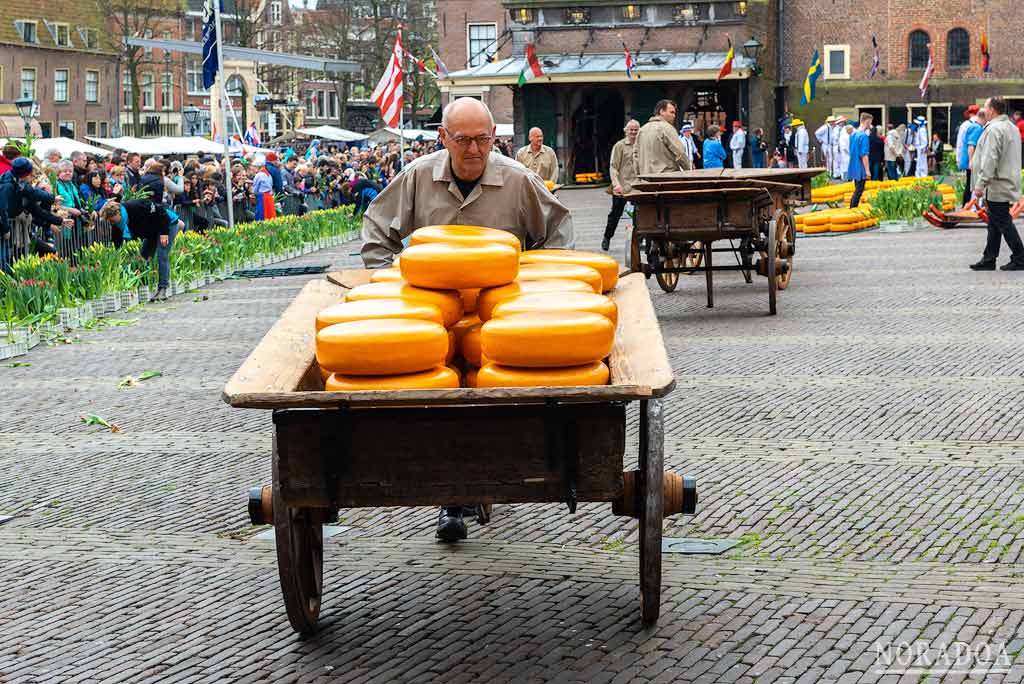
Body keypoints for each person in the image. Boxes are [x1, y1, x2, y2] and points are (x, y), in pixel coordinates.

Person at [361, 98, 573, 541]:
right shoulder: (419, 177)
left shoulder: (518, 181)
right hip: (429, 317)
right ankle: (451, 497)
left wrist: (535, 284)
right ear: (444, 138)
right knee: (435, 404)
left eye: (483, 139)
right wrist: (390, 281)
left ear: (495, 139)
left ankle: (485, 477)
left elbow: (558, 231)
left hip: (497, 319)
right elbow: (378, 226)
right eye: (462, 140)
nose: (474, 149)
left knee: (495, 400)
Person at [970, 97, 1024, 271]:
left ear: (992, 110)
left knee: (1002, 221)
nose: (983, 111)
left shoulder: (994, 129)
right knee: (994, 222)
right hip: (1006, 180)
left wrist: (980, 184)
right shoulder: (1012, 127)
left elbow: (990, 159)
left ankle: (1020, 256)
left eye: (985, 108)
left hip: (996, 183)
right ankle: (989, 258)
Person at [0, 158, 71, 273]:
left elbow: (37, 206)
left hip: (16, 231)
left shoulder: (21, 184)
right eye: (32, 174)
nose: (33, 177)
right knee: (3, 261)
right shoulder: (7, 186)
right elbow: (2, 209)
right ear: (26, 174)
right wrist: (6, 229)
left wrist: (59, 218)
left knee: (8, 261)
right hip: (6, 229)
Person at [100, 199, 177, 299]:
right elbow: (117, 243)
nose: (111, 222)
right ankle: (149, 287)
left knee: (162, 255)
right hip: (152, 231)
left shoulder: (136, 206)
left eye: (111, 219)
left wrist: (164, 232)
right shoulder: (117, 223)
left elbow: (161, 212)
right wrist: (115, 256)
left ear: (118, 212)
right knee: (144, 255)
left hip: (166, 224)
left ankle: (162, 289)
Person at [603, 119, 640, 252]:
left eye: (636, 130)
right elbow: (613, 167)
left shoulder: (642, 145)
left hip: (638, 187)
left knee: (640, 214)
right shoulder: (619, 146)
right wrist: (616, 184)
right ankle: (607, 237)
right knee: (615, 214)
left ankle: (638, 239)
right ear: (626, 131)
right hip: (622, 186)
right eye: (631, 129)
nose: (634, 132)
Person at [636, 100, 692, 174]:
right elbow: (680, 152)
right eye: (671, 112)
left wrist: (638, 174)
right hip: (666, 177)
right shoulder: (667, 128)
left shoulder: (642, 130)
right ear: (661, 111)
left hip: (646, 178)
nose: (674, 116)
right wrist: (688, 171)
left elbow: (635, 155)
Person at [960, 109, 985, 206]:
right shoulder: (978, 128)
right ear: (983, 118)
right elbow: (971, 145)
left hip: (968, 159)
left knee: (969, 184)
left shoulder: (972, 126)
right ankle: (967, 206)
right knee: (972, 184)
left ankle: (966, 206)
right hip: (972, 160)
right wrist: (971, 161)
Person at [848, 113, 872, 208]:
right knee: (859, 190)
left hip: (854, 164)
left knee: (857, 189)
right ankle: (852, 209)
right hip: (860, 166)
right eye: (870, 122)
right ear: (867, 121)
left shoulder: (853, 134)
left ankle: (853, 208)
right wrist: (867, 170)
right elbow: (864, 154)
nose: (870, 125)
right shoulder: (863, 136)